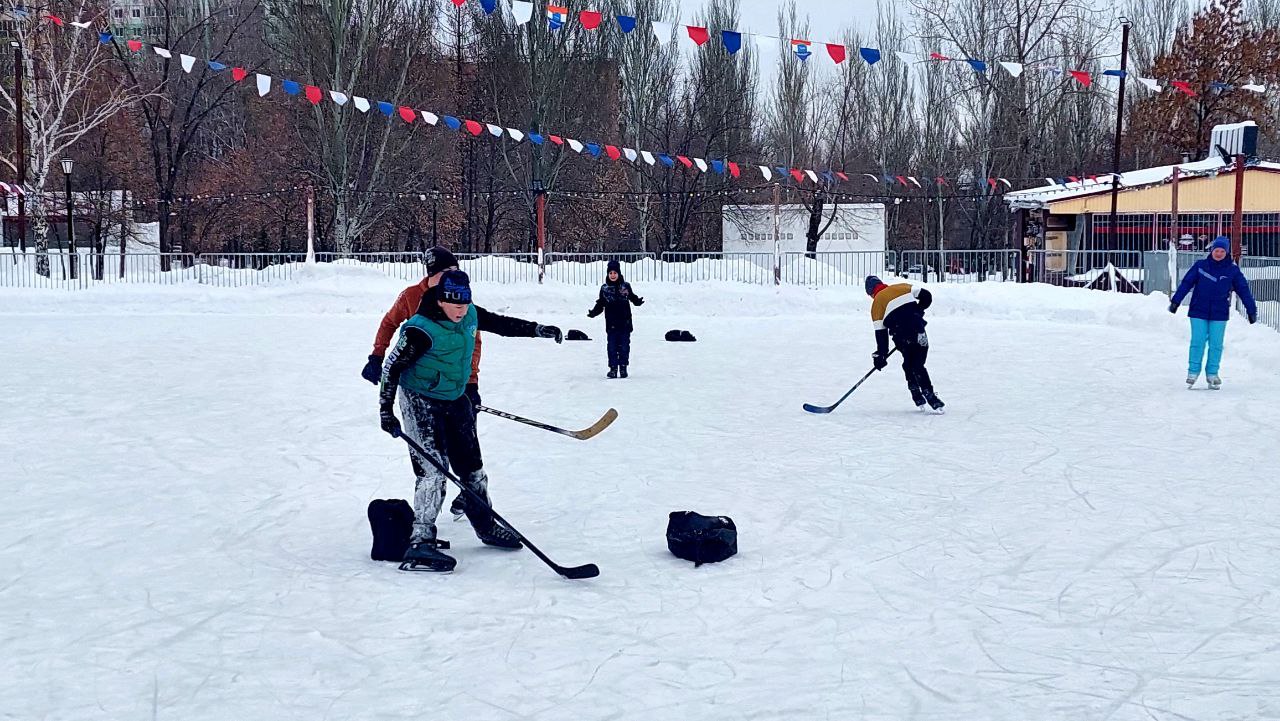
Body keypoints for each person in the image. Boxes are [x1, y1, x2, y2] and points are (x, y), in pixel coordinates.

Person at [379, 269, 563, 572]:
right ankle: (421, 540)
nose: (460, 309)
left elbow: (502, 324)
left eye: (465, 301)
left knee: (472, 468)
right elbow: (391, 368)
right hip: (419, 399)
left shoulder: (470, 315)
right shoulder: (419, 330)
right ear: (440, 301)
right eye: (454, 303)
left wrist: (538, 329)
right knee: (433, 469)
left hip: (455, 395)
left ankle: (485, 526)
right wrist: (386, 410)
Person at [1169, 236, 1257, 389]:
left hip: (1219, 312)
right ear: (1212, 250)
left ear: (1226, 252)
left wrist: (1251, 310)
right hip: (1198, 310)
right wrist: (1176, 301)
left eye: (1222, 251)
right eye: (1216, 250)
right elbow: (1187, 283)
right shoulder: (1201, 266)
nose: (1219, 253)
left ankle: (1212, 374)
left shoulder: (1232, 270)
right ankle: (1193, 372)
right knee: (1198, 341)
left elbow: (1243, 290)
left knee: (1216, 344)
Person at [865, 275, 944, 413]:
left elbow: (881, 334)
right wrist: (917, 312)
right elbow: (926, 296)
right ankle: (928, 396)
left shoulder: (877, 303)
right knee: (917, 365)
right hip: (920, 332)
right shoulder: (902, 287)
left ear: (871, 293)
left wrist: (881, 355)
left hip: (902, 336)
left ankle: (919, 395)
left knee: (909, 364)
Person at [587, 259, 644, 378]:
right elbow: (601, 303)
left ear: (619, 273)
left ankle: (623, 367)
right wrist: (594, 312)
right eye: (610, 273)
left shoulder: (625, 286)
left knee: (624, 346)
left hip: (625, 323)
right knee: (612, 347)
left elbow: (632, 297)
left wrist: (637, 301)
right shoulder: (605, 288)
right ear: (608, 274)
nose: (613, 275)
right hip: (611, 323)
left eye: (615, 273)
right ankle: (613, 368)